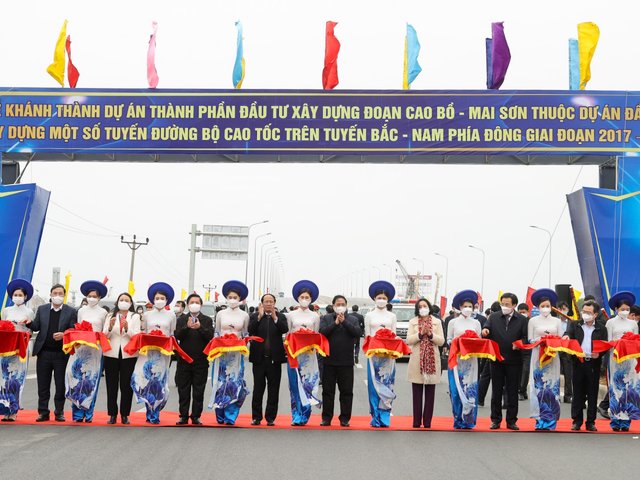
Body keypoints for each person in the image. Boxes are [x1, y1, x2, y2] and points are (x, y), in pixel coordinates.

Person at [26, 284, 78, 422]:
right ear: (50, 294)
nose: (57, 296)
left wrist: (64, 334)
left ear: (64, 295)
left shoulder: (70, 311)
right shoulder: (42, 309)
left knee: (60, 385)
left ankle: (59, 412)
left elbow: (73, 329)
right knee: (43, 385)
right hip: (44, 353)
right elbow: (36, 326)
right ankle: (43, 412)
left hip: (61, 354)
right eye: (55, 293)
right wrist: (29, 323)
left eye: (60, 293)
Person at [481, 292, 528, 430]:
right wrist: (485, 331)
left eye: (507, 304)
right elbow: (486, 328)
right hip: (496, 359)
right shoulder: (494, 317)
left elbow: (526, 338)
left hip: (514, 360)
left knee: (512, 391)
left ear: (514, 305)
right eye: (502, 304)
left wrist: (519, 344)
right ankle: (495, 420)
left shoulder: (522, 320)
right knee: (496, 391)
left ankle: (511, 420)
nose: (504, 306)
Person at [134, 282, 177, 424]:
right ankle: (149, 410)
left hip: (163, 353)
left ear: (167, 300)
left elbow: (171, 333)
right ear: (153, 299)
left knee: (159, 380)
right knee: (148, 379)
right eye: (157, 298)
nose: (159, 300)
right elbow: (143, 331)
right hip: (148, 352)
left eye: (162, 298)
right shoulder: (146, 315)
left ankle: (156, 411)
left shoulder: (171, 315)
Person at [66, 280, 108, 423]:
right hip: (80, 349)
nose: (92, 298)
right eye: (89, 296)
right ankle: (77, 414)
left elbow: (104, 332)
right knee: (76, 378)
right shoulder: (81, 311)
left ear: (99, 297)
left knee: (91, 380)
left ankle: (89, 413)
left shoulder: (103, 312)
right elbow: (78, 327)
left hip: (95, 350)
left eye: (94, 296)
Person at [563, 300, 608, 431]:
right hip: (578, 362)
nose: (585, 314)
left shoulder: (601, 328)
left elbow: (605, 345)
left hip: (593, 363)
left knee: (592, 393)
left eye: (589, 312)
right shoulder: (575, 324)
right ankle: (577, 421)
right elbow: (568, 334)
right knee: (578, 393)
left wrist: (599, 354)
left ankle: (591, 422)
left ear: (595, 315)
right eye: (584, 311)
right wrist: (566, 336)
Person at [210, 280, 250, 425]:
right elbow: (216, 332)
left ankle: (231, 415)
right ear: (226, 298)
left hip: (236, 354)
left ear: (240, 299)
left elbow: (245, 334)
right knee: (220, 382)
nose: (232, 300)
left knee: (234, 382)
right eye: (230, 297)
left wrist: (244, 345)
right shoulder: (220, 314)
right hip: (221, 353)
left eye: (235, 297)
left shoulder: (244, 315)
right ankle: (220, 413)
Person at [319, 295, 361, 427]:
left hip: (346, 362)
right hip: (329, 361)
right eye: (338, 304)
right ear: (333, 306)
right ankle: (326, 418)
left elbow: (357, 333)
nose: (340, 306)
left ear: (346, 306)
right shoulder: (326, 318)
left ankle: (345, 418)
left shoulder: (353, 319)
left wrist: (344, 322)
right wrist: (335, 323)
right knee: (327, 391)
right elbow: (322, 333)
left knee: (346, 392)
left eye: (343, 304)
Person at [285, 280, 322, 426]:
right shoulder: (290, 315)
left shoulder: (315, 316)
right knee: (294, 384)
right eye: (302, 297)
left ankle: (306, 412)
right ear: (298, 298)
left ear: (311, 299)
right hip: (294, 354)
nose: (304, 299)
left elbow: (316, 334)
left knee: (308, 382)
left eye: (307, 297)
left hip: (309, 355)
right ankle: (296, 414)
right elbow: (288, 334)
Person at [526, 288, 564, 430]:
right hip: (538, 356)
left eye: (547, 306)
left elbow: (561, 338)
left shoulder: (557, 321)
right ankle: (539, 419)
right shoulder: (532, 321)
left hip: (553, 357)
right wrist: (540, 340)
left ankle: (551, 420)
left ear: (551, 306)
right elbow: (530, 339)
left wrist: (552, 339)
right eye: (543, 306)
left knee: (552, 386)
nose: (545, 308)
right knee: (538, 386)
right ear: (538, 307)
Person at [248, 293, 288, 426]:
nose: (269, 304)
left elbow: (284, 329)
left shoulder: (280, 316)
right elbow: (250, 330)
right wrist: (259, 317)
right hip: (259, 359)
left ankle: (270, 417)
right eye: (266, 301)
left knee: (273, 389)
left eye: (271, 301)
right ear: (262, 303)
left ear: (274, 303)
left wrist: (275, 318)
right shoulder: (255, 316)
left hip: (274, 359)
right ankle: (256, 417)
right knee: (258, 389)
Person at [174, 293, 213, 425]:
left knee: (198, 390)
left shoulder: (206, 320)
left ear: (201, 305)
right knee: (183, 389)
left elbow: (210, 337)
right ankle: (183, 415)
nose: (194, 304)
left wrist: (200, 328)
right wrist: (187, 327)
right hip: (184, 360)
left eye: (197, 302)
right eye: (192, 302)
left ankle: (196, 416)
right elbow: (177, 335)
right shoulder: (181, 319)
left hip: (201, 360)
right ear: (188, 305)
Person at [364, 280, 399, 428]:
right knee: (373, 385)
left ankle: (385, 416)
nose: (381, 300)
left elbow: (394, 334)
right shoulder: (369, 315)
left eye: (384, 298)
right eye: (379, 297)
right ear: (374, 298)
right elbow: (367, 336)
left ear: (388, 300)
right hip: (374, 355)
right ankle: (375, 416)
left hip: (388, 355)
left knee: (387, 383)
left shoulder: (392, 316)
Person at [103, 292, 141, 424]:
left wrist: (127, 328)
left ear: (130, 303)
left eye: (126, 300)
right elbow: (104, 335)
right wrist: (110, 327)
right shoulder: (110, 315)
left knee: (126, 386)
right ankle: (112, 414)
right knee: (111, 385)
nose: (123, 302)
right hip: (111, 354)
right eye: (121, 299)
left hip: (128, 354)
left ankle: (125, 414)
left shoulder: (135, 316)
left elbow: (136, 336)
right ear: (117, 302)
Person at [406, 297, 444, 429]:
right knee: (416, 393)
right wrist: (420, 334)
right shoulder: (412, 322)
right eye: (420, 306)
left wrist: (431, 335)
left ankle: (427, 422)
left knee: (430, 394)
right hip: (417, 360)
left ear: (429, 307)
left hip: (431, 361)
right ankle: (416, 421)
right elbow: (408, 340)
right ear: (417, 309)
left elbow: (441, 341)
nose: (423, 308)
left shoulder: (437, 322)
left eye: (425, 306)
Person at [0, 279, 35, 421]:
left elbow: (31, 331)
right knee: (4, 378)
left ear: (25, 297)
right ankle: (5, 409)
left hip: (20, 349)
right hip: (6, 349)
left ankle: (14, 410)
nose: (17, 297)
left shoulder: (29, 312)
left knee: (16, 379)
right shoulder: (6, 311)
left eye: (20, 295)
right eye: (15, 295)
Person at [447, 290, 482, 429]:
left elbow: (479, 340)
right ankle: (458, 419)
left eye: (470, 306)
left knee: (470, 389)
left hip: (471, 361)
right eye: (465, 306)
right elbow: (449, 339)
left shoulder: (476, 323)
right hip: (456, 359)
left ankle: (469, 420)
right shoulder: (453, 322)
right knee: (455, 391)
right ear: (460, 307)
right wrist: (456, 342)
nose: (467, 308)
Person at [605, 291, 639, 431]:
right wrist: (619, 342)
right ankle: (615, 420)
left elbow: (636, 341)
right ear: (616, 309)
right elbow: (608, 342)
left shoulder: (633, 323)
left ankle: (626, 421)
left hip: (630, 360)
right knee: (616, 388)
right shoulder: (610, 322)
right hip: (616, 359)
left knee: (628, 388)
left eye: (627, 309)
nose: (625, 311)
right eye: (622, 309)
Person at [556, 300, 573, 403]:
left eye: (564, 309)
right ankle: (555, 394)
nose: (562, 311)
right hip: (556, 350)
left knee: (568, 373)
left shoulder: (572, 322)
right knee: (555, 373)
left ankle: (568, 395)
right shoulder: (554, 321)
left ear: (567, 310)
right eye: (560, 309)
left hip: (567, 350)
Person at [517, 303, 531, 401]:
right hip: (517, 349)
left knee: (526, 370)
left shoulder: (531, 321)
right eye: (520, 312)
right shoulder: (516, 321)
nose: (522, 314)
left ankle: (522, 390)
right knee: (518, 371)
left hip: (528, 349)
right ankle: (521, 390)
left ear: (528, 312)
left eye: (524, 312)